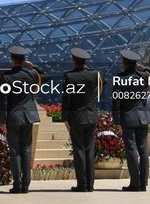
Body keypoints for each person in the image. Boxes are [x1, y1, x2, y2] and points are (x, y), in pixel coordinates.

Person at [0, 46, 45, 194]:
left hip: (13, 117)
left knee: (15, 151)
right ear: (24, 60)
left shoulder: (6, 77)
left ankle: (17, 185)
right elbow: (45, 77)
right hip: (28, 116)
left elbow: (3, 102)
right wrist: (34, 67)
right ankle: (26, 184)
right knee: (26, 150)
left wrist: (2, 121)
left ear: (12, 60)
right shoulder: (31, 74)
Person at [61, 48, 103, 192]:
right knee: (89, 151)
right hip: (91, 117)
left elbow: (66, 100)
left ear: (74, 62)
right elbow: (103, 83)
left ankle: (82, 184)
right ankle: (90, 185)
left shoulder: (69, 77)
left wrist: (65, 119)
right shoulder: (93, 75)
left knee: (79, 151)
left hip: (76, 118)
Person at [112, 49, 150, 192]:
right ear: (136, 63)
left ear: (124, 62)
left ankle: (135, 184)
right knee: (144, 150)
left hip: (128, 119)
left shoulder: (119, 78)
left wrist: (116, 122)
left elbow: (116, 103)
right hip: (143, 118)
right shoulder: (143, 77)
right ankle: (143, 183)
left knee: (131, 151)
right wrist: (144, 68)